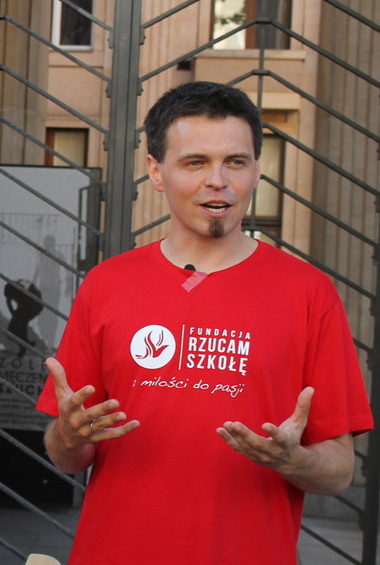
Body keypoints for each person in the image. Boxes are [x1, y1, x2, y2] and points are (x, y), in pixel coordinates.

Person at [36, 81, 373, 564]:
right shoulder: (108, 284)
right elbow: (67, 456)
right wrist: (68, 436)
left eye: (235, 162)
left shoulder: (308, 293)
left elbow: (339, 472)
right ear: (156, 171)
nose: (218, 180)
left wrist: (292, 459)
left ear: (257, 171)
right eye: (195, 163)